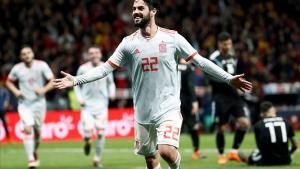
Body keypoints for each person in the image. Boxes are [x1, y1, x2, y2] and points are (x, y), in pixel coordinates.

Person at [53, 1, 252, 168]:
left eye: (140, 8)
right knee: (150, 159)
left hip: (168, 108)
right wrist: (76, 79)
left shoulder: (173, 38)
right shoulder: (128, 43)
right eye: (133, 9)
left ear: (153, 11)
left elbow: (200, 61)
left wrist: (228, 78)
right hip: (142, 113)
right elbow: (105, 69)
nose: (136, 12)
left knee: (165, 151)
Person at [6, 46, 54, 169]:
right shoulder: (17, 68)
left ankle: (34, 151)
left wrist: (43, 90)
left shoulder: (42, 65)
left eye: (28, 53)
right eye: (24, 54)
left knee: (37, 133)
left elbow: (52, 81)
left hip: (39, 104)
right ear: (21, 57)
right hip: (24, 104)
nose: (26, 55)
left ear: (32, 54)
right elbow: (8, 82)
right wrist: (16, 91)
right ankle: (31, 160)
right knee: (27, 129)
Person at [208, 32, 251, 164]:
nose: (228, 46)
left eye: (230, 43)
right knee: (221, 127)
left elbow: (238, 72)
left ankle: (233, 151)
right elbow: (213, 77)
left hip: (234, 96)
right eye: (225, 44)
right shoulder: (214, 58)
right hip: (221, 96)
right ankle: (221, 154)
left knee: (244, 123)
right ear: (219, 44)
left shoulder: (234, 55)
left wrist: (241, 84)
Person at [74, 46, 116, 168]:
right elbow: (75, 84)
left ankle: (97, 159)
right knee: (88, 131)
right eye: (91, 53)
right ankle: (87, 140)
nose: (94, 55)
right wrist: (80, 98)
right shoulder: (83, 68)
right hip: (87, 105)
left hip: (102, 105)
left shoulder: (106, 66)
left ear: (100, 54)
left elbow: (111, 82)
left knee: (101, 133)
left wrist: (112, 93)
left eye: (96, 52)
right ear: (88, 55)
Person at [239, 101, 298, 166]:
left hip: (266, 161)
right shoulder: (286, 122)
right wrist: (290, 153)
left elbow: (260, 147)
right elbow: (295, 145)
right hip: (286, 160)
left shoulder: (258, 125)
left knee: (255, 152)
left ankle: (247, 160)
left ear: (261, 113)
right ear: (273, 110)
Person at [178, 59, 200, 160]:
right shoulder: (189, 68)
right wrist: (194, 101)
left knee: (175, 127)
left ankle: (171, 152)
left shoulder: (172, 65)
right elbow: (191, 85)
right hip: (186, 101)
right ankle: (196, 151)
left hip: (172, 101)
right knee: (193, 126)